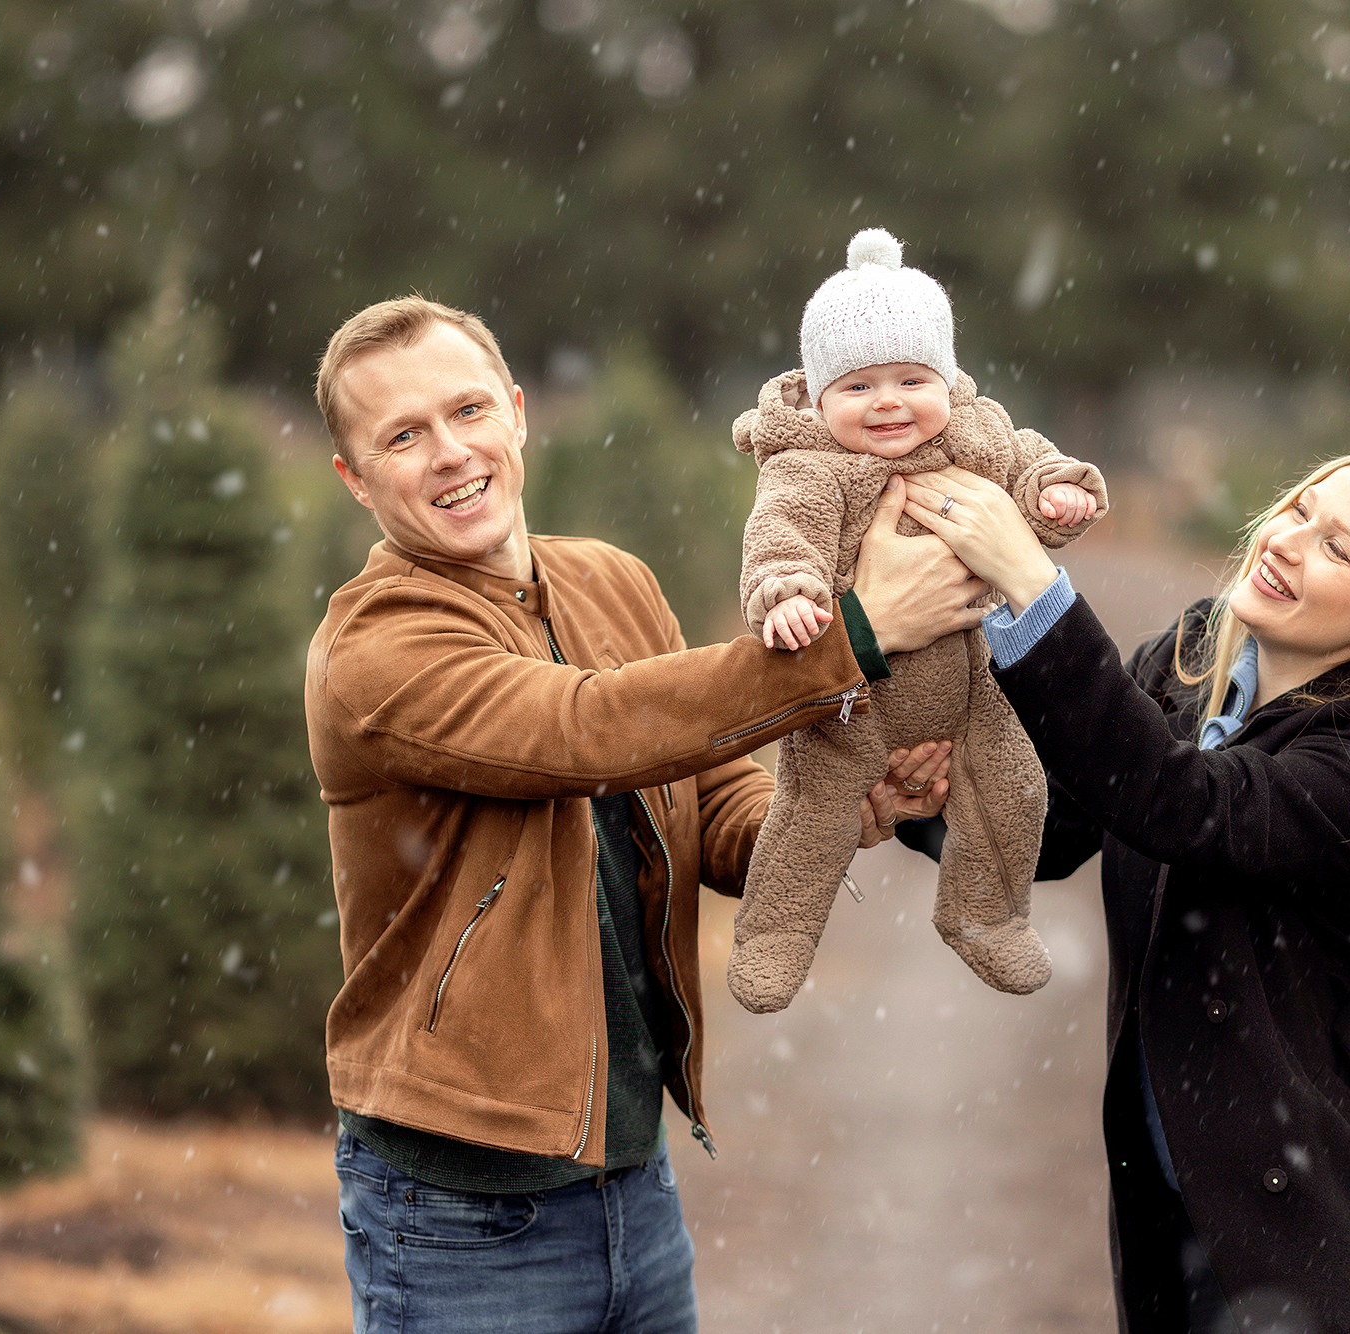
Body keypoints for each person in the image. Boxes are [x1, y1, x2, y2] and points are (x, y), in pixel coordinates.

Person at [303, 295, 980, 1334]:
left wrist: (841, 806)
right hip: (459, 1213)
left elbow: (710, 807)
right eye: (402, 435)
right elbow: (584, 729)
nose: (449, 452)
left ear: (518, 414)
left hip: (632, 1180)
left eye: (467, 410)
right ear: (354, 477)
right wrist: (860, 631)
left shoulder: (608, 580)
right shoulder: (374, 647)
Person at [895, 448, 1350, 1333]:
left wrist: (1029, 580)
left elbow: (1180, 803)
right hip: (1179, 1227)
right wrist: (923, 800)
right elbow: (1055, 831)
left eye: (1336, 549)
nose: (1285, 541)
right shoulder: (1187, 660)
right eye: (1298, 511)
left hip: (1318, 1250)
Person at [725, 227, 1107, 1013]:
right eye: (858, 387)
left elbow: (1027, 460)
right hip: (848, 700)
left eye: (910, 378)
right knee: (811, 816)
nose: (889, 401)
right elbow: (780, 537)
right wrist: (791, 593)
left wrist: (1054, 491)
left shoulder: (974, 434)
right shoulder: (809, 466)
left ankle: (984, 915)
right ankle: (776, 936)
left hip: (972, 691)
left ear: (948, 376)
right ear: (819, 395)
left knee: (1015, 789)